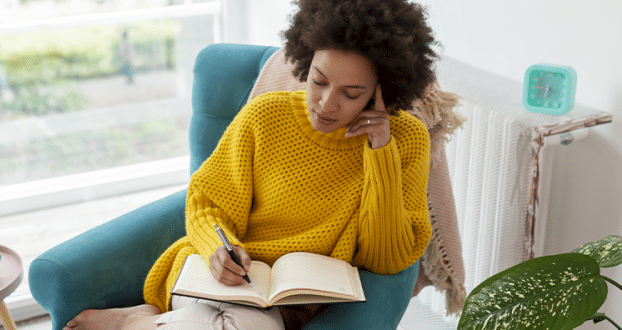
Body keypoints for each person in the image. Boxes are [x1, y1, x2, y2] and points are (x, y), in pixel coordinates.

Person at [63, 0, 439, 329]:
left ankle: (136, 322)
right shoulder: (265, 117)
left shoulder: (404, 142)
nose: (325, 104)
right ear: (305, 63)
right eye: (318, 81)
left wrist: (380, 152)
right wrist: (217, 249)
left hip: (287, 303)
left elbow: (387, 259)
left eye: (351, 94)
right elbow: (207, 201)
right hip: (215, 280)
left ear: (382, 93)